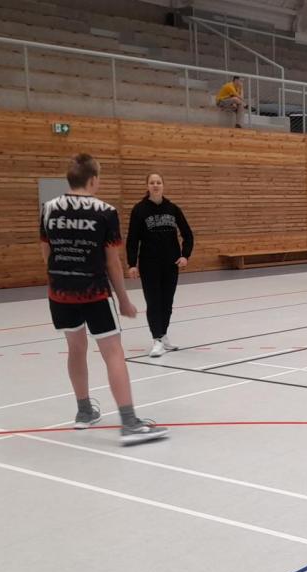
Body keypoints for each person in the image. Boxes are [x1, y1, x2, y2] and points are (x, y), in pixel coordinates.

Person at [39, 153, 168, 446]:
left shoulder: (48, 209)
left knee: (75, 348)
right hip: (94, 292)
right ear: (93, 180)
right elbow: (112, 262)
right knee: (113, 352)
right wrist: (123, 299)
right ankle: (129, 422)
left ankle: (84, 411)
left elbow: (46, 253)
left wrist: (62, 277)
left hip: (60, 292)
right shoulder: (105, 212)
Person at [127, 173, 194, 358]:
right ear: (147, 186)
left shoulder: (172, 208)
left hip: (170, 264)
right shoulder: (139, 209)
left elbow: (188, 234)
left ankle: (163, 335)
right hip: (149, 264)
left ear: (163, 185)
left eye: (158, 182)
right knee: (153, 302)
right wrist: (132, 263)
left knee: (167, 302)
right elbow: (132, 239)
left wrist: (185, 255)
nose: (155, 185)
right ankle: (156, 339)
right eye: (152, 183)